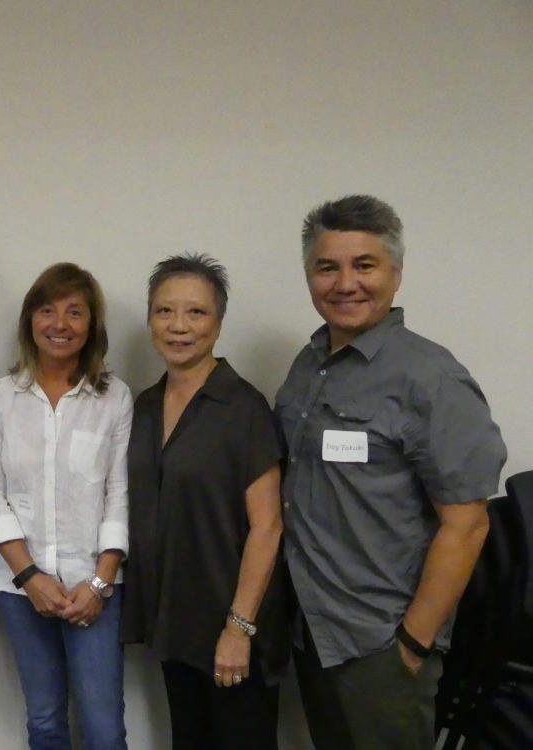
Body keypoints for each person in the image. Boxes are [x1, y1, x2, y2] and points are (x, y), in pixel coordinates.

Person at [276, 194, 508, 750]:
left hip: (382, 642)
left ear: (396, 275)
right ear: (310, 276)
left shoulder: (431, 378)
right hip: (315, 629)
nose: (345, 283)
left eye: (365, 265)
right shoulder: (308, 367)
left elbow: (468, 524)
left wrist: (412, 642)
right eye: (327, 267)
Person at [120, 254, 287, 749]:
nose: (178, 327)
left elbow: (268, 527)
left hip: (235, 624)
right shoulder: (145, 406)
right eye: (164, 311)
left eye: (196, 313)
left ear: (218, 323)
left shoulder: (243, 407)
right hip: (177, 623)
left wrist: (239, 629)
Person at [0, 262, 132, 750]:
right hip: (21, 590)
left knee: (104, 726)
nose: (59, 324)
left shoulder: (115, 397)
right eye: (47, 310)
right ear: (29, 321)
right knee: (44, 722)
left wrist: (100, 582)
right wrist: (30, 577)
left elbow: (119, 495)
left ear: (92, 325)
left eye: (74, 312)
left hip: (95, 589)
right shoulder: (0, 398)